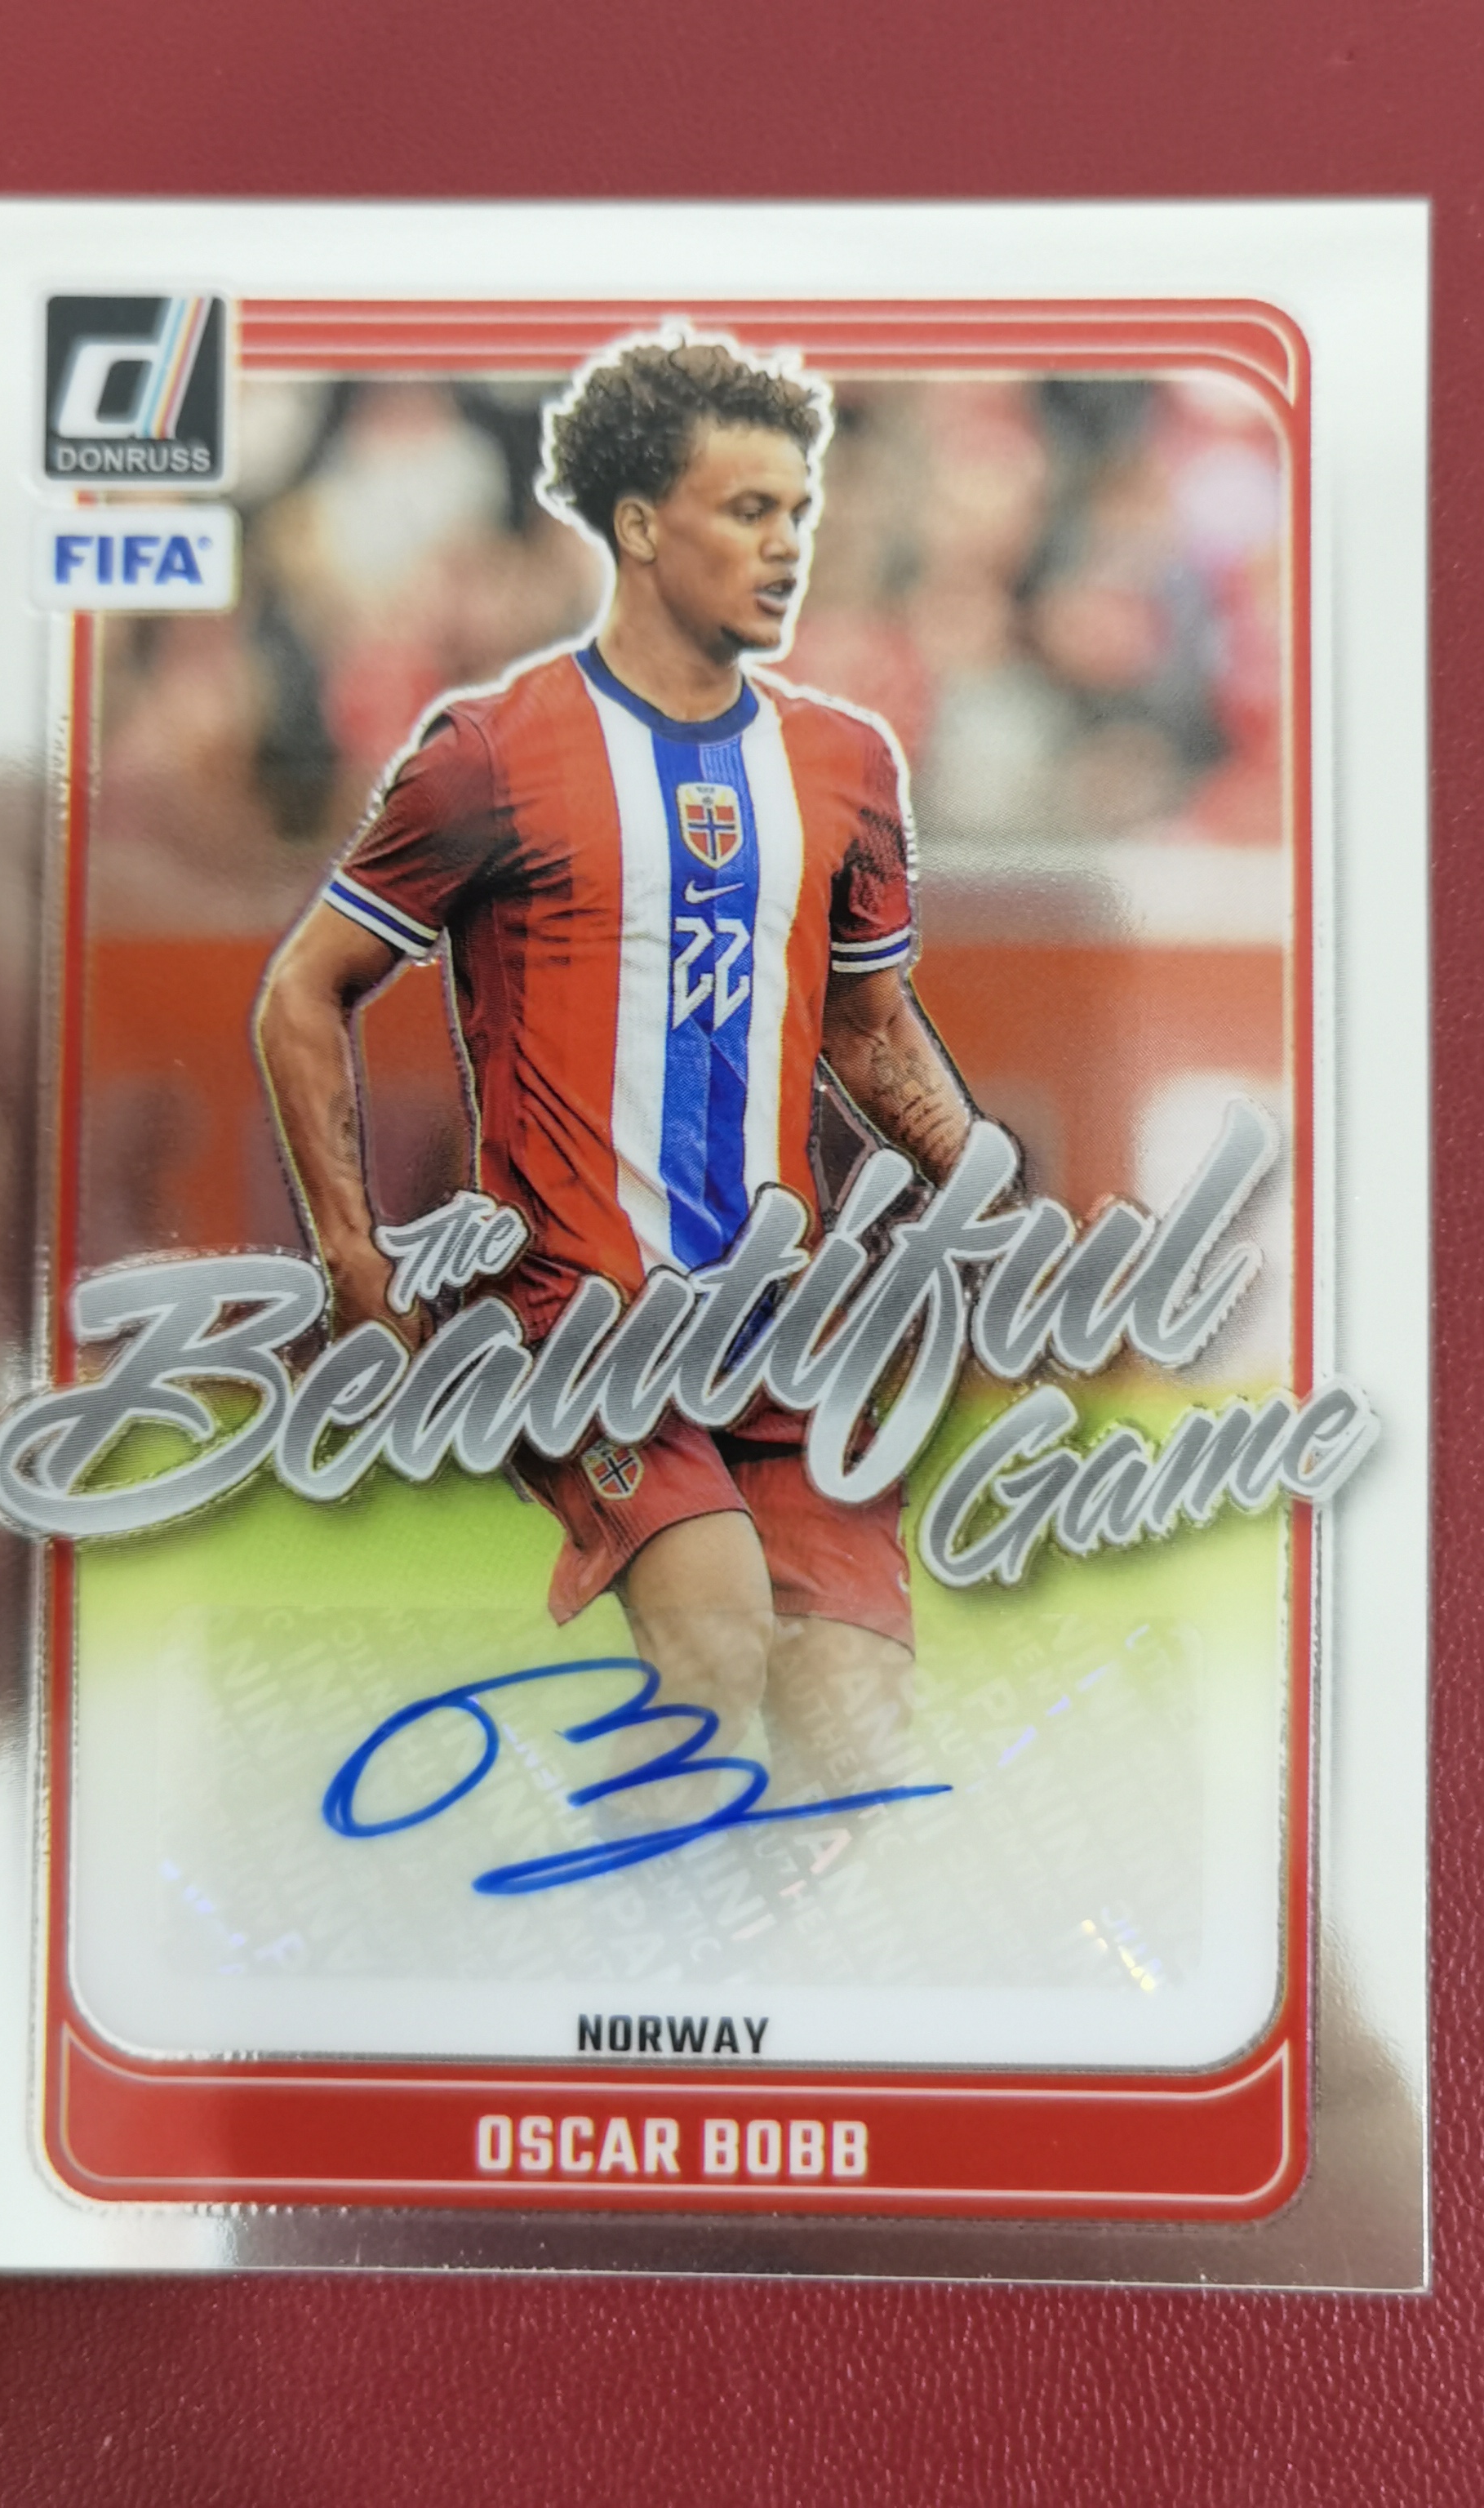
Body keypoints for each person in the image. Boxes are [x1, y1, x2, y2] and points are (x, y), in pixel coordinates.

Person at [255, 333, 980, 1797]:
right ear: (640, 527)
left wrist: (1003, 1212)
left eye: (798, 511)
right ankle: (615, 1932)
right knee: (713, 1651)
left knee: (854, 1740)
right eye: (748, 510)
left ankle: (716, 1931)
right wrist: (351, 1250)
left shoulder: (846, 763)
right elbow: (303, 990)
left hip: (785, 1329)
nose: (787, 545)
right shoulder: (491, 752)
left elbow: (869, 1029)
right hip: (584, 1319)